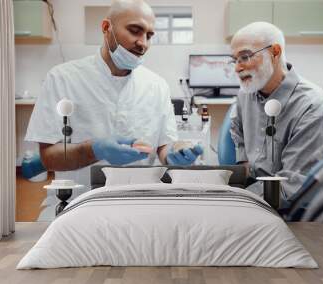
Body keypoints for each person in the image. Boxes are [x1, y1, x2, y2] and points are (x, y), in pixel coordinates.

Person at [24, 0, 202, 187]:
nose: (143, 43)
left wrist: (173, 156)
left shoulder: (157, 86)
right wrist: (93, 150)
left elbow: (164, 146)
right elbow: (48, 157)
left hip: (139, 198)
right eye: (134, 30)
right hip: (81, 200)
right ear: (106, 27)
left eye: (149, 35)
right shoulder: (62, 79)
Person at [229, 22, 323, 204]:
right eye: (234, 60)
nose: (237, 68)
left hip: (299, 212)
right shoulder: (245, 94)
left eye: (245, 57)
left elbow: (294, 184)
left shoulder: (312, 105)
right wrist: (243, 168)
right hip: (259, 197)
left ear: (275, 52)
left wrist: (238, 200)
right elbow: (237, 131)